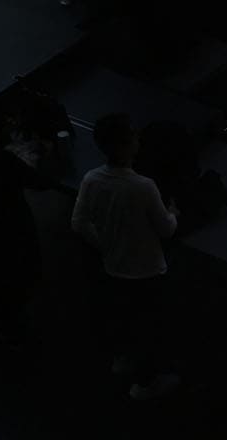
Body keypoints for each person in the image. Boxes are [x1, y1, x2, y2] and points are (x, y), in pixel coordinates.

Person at [71, 112, 181, 399]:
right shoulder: (143, 186)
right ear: (124, 145)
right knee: (150, 324)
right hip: (147, 269)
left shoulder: (91, 180)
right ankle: (147, 384)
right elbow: (166, 229)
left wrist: (105, 245)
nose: (138, 139)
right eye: (133, 136)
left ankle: (125, 359)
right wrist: (173, 213)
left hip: (113, 266)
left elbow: (78, 222)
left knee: (125, 315)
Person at [0, 96, 53, 346]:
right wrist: (41, 154)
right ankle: (14, 331)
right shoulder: (2, 161)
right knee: (11, 278)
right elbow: (41, 182)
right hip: (8, 228)